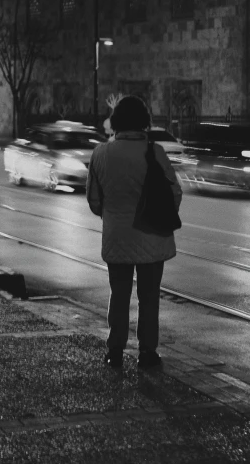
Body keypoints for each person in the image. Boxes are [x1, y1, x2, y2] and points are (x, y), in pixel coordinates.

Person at [87, 95, 182, 370]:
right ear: (144, 121)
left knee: (119, 295)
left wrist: (112, 214)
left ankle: (114, 350)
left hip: (117, 237)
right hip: (152, 236)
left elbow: (94, 201)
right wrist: (157, 213)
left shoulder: (101, 154)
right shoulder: (155, 153)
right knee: (149, 298)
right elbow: (175, 192)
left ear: (116, 121)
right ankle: (147, 352)